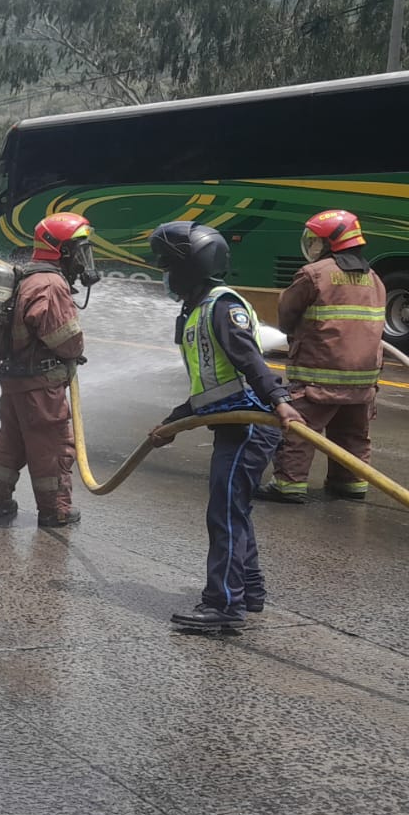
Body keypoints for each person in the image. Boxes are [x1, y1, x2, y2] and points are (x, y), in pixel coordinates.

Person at [148, 221, 304, 632]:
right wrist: (172, 423)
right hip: (232, 421)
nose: (164, 275)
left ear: (189, 267)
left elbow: (250, 362)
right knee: (234, 511)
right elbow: (210, 386)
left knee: (225, 515)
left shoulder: (221, 306)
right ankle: (248, 591)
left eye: (167, 266)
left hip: (249, 424)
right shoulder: (198, 309)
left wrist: (281, 402)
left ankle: (223, 605)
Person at [0, 212, 96, 528]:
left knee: (12, 440)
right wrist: (76, 351)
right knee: (52, 445)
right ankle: (55, 509)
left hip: (15, 380)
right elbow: (66, 340)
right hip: (40, 386)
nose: (84, 259)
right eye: (79, 250)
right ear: (61, 250)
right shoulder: (51, 284)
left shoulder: (26, 275)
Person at [258, 210, 386, 504]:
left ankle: (288, 485)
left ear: (330, 242)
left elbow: (287, 316)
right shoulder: (375, 279)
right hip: (363, 379)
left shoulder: (314, 275)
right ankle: (350, 483)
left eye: (317, 240)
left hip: (318, 374)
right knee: (352, 434)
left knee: (300, 430)